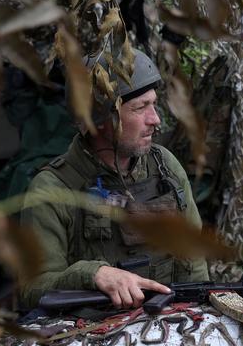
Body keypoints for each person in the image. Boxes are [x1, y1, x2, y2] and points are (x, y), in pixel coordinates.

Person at [20, 48, 209, 309]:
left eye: (153, 104)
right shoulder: (52, 189)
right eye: (140, 108)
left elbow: (194, 259)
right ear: (99, 119)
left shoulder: (165, 166)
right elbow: (32, 289)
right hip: (90, 338)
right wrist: (93, 275)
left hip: (169, 326)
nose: (155, 120)